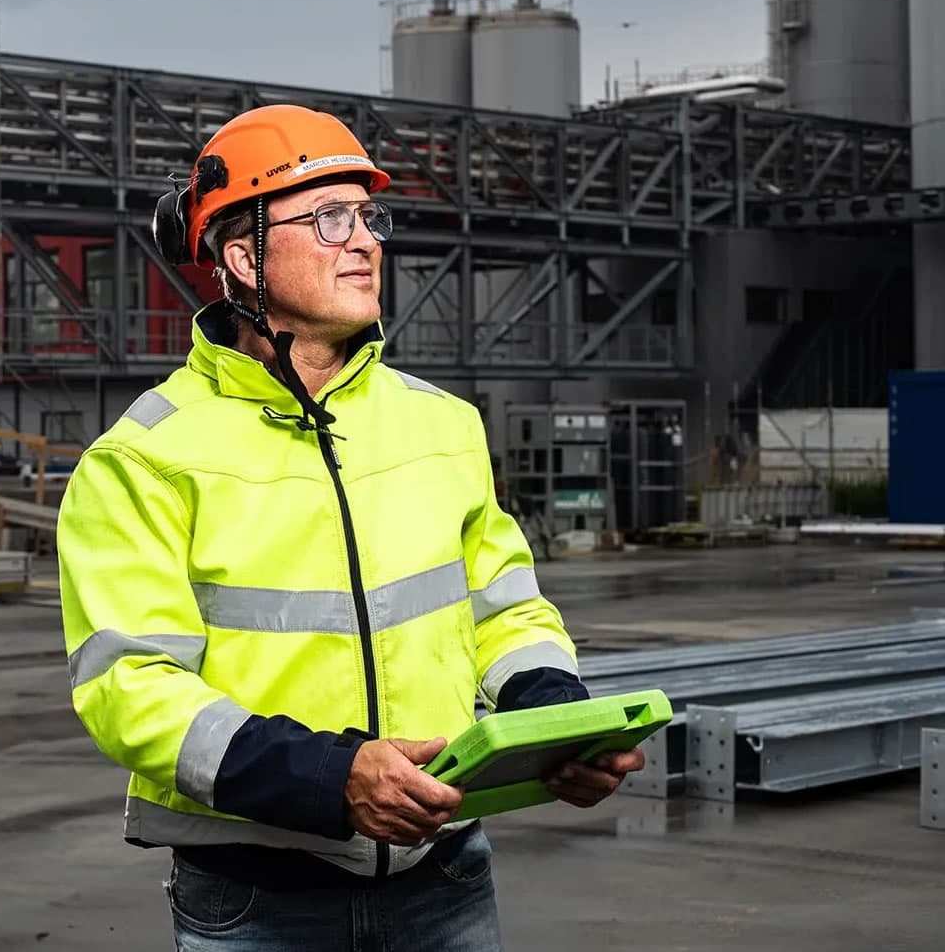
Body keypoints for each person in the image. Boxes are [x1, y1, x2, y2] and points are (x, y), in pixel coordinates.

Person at [56, 104, 643, 951]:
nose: (364, 240)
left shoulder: (441, 424)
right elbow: (132, 690)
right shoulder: (144, 457)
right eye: (330, 218)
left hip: (445, 877)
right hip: (258, 903)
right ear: (242, 254)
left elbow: (506, 609)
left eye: (370, 217)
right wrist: (332, 779)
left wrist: (554, 718)